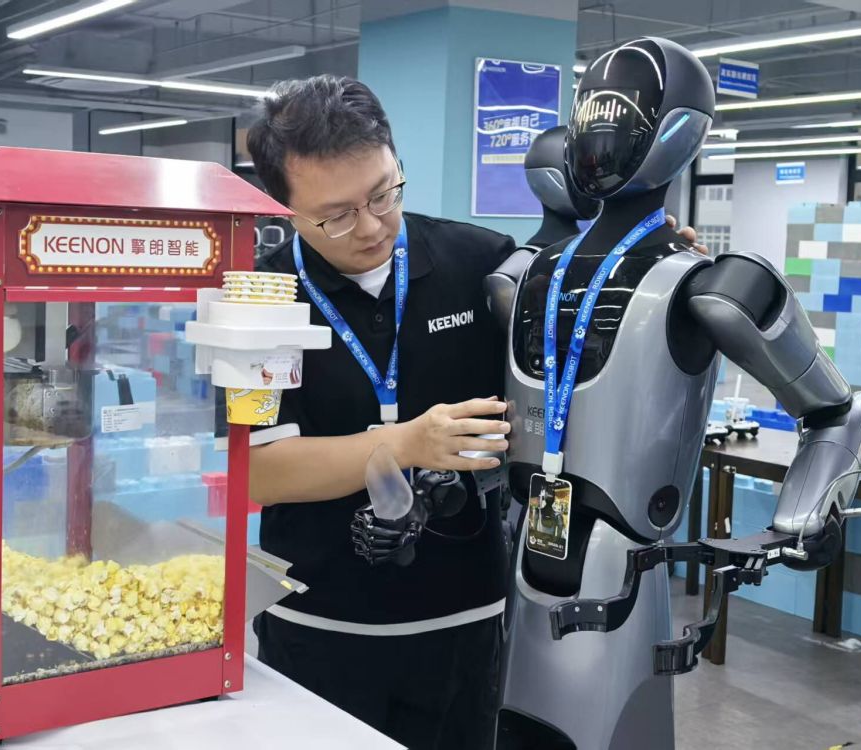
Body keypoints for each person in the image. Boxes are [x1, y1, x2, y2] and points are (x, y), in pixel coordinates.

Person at [245, 74, 705, 749]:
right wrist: (404, 444)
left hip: (466, 619)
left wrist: (650, 272)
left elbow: (582, 342)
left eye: (383, 193)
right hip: (319, 625)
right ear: (283, 208)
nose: (370, 226)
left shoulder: (482, 263)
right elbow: (259, 473)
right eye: (336, 216)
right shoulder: (261, 298)